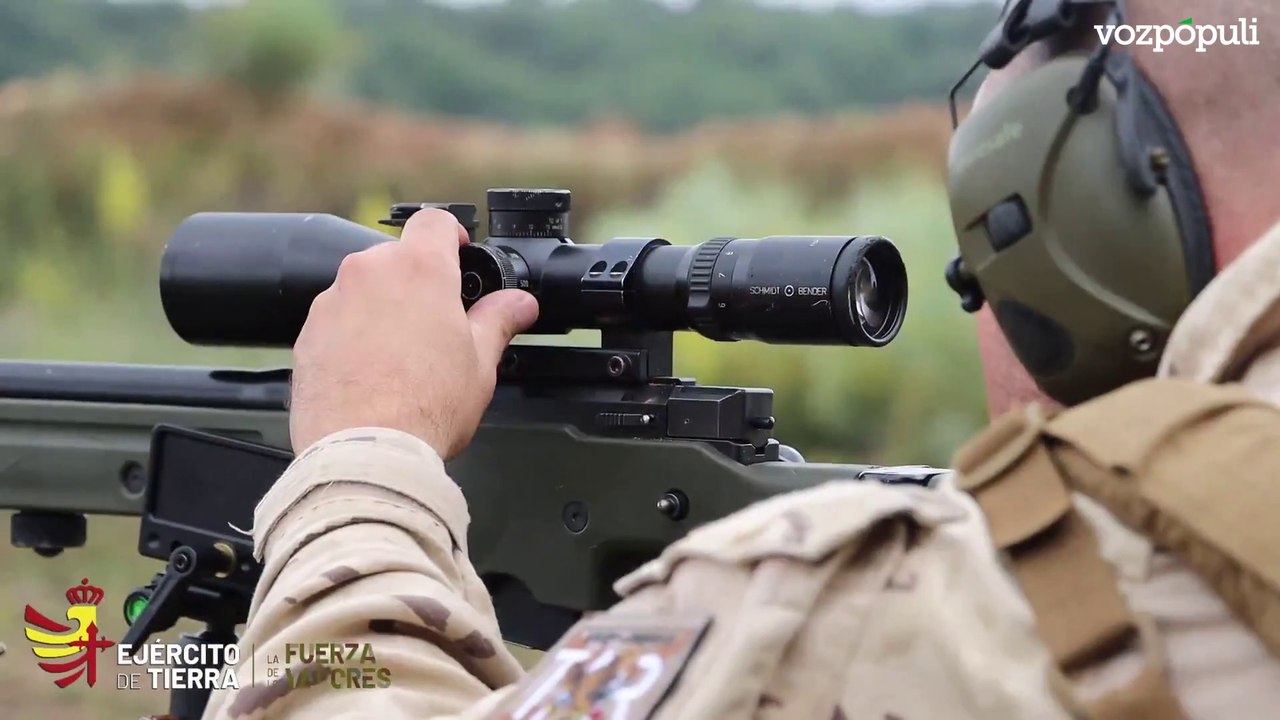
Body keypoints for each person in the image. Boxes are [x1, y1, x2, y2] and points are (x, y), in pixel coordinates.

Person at [201, 1, 1280, 718]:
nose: (980, 296)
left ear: (1096, 227)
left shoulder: (869, 619)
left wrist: (363, 455)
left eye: (989, 254)